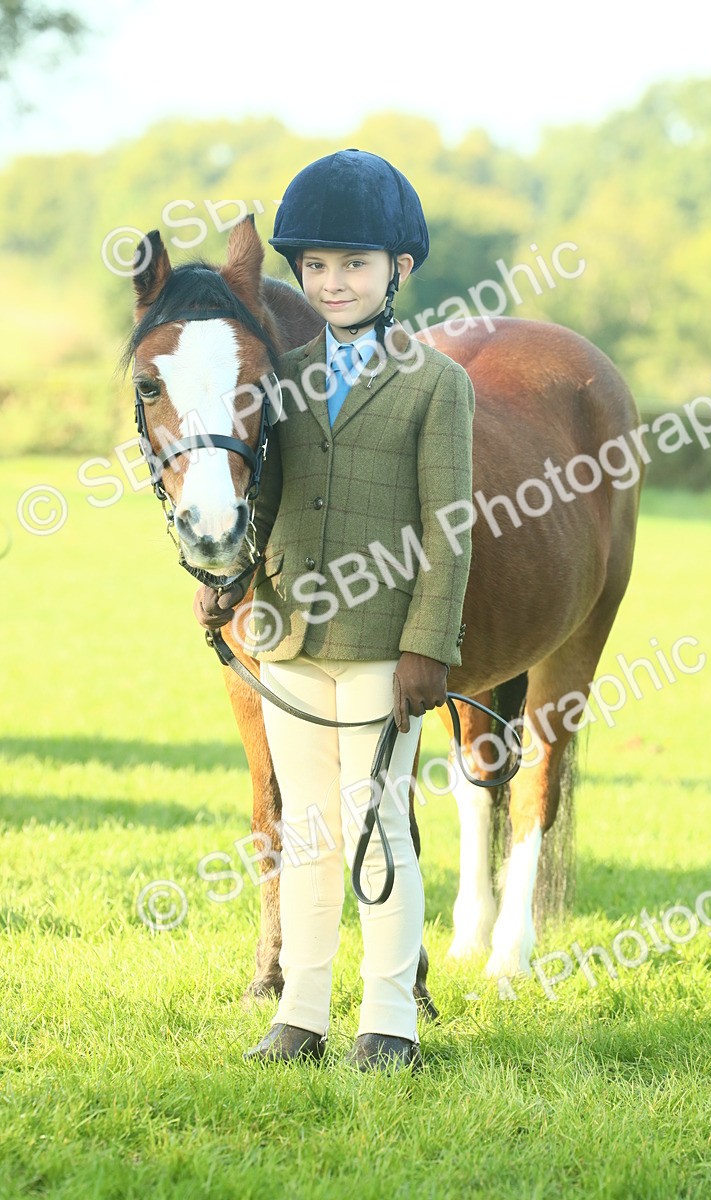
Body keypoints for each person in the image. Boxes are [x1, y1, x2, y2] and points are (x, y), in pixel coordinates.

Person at [195, 149, 475, 1072]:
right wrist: (233, 578)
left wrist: (428, 650)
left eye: (352, 265)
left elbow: (450, 531)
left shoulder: (438, 384)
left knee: (377, 827)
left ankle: (389, 1021)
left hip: (380, 646)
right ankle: (302, 1016)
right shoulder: (286, 372)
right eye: (315, 266)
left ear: (397, 271)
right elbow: (268, 494)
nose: (332, 282)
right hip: (290, 640)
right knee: (307, 831)